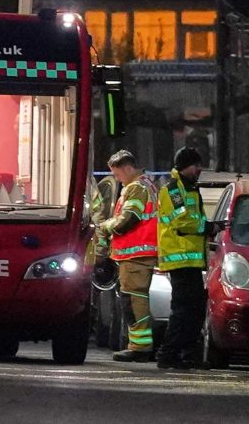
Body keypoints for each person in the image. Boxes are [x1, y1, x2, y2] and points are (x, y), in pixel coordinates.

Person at [156, 146, 223, 370]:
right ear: (185, 166)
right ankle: (169, 353)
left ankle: (186, 354)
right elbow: (182, 222)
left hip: (190, 260)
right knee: (183, 310)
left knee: (193, 309)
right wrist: (209, 227)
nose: (200, 169)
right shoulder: (174, 190)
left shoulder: (189, 189)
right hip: (180, 260)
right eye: (196, 165)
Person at [97, 150, 159, 362]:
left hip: (136, 255)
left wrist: (106, 226)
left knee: (134, 300)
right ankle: (140, 345)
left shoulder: (135, 188)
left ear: (127, 168)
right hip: (139, 254)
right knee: (134, 300)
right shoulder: (146, 185)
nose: (116, 178)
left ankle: (140, 347)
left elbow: (128, 219)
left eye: (117, 174)